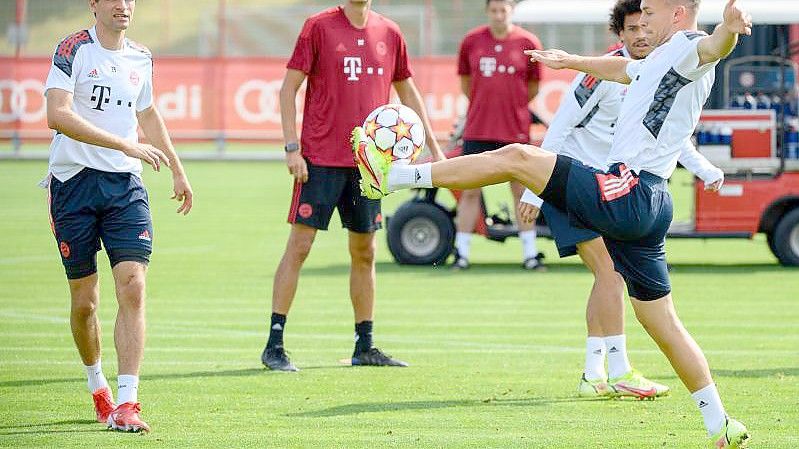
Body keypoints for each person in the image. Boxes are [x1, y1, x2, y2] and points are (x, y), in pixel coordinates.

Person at [354, 0, 752, 445]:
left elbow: (712, 47)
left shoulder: (687, 45)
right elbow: (623, 72)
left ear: (677, 14)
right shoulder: (657, 57)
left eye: (650, 16)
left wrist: (729, 30)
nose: (643, 26)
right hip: (652, 203)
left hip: (629, 191)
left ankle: (394, 177)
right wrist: (570, 62)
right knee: (663, 323)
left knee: (518, 157)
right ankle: (720, 422)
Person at [519, 0, 725, 400]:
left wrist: (704, 169)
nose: (641, 33)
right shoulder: (600, 74)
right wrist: (535, 189)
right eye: (632, 29)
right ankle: (611, 371)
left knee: (610, 273)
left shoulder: (659, 68)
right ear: (621, 35)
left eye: (645, 24)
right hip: (577, 181)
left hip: (615, 186)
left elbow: (667, 135)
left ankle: (600, 371)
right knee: (609, 271)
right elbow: (561, 124)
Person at [261, 0, 446, 372]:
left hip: (369, 166)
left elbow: (408, 93)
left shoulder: (390, 32)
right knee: (300, 246)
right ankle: (274, 344)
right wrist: (291, 148)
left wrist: (436, 149)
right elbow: (287, 90)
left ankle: (366, 345)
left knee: (366, 252)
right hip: (318, 159)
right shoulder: (318, 27)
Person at [44, 0, 193, 433]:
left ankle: (128, 402)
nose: (123, 5)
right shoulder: (73, 49)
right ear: (94, 4)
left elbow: (147, 112)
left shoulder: (141, 57)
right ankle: (98, 387)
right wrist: (125, 144)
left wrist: (178, 168)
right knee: (84, 302)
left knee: (133, 284)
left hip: (125, 187)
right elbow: (57, 115)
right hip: (72, 184)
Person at [453, 0, 544, 270]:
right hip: (478, 129)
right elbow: (467, 84)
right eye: (494, 10)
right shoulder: (471, 41)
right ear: (487, 12)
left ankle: (529, 254)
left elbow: (533, 87)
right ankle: (461, 254)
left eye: (503, 10)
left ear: (511, 11)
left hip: (514, 130)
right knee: (470, 192)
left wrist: (511, 108)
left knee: (521, 193)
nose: (498, 15)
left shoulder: (528, 42)